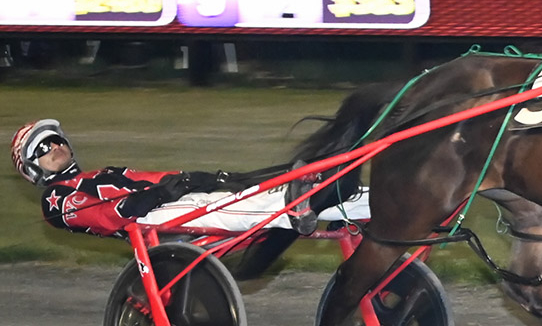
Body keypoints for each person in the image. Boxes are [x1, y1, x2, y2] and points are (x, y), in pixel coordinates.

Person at [9, 119, 332, 238]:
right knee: (213, 206)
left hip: (165, 207)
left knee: (235, 192)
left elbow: (153, 178)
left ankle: (339, 200)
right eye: (42, 147)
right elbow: (101, 216)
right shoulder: (54, 199)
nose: (55, 146)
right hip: (144, 223)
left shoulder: (103, 173)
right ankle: (290, 207)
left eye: (56, 139)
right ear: (32, 168)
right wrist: (153, 197)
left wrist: (195, 178)